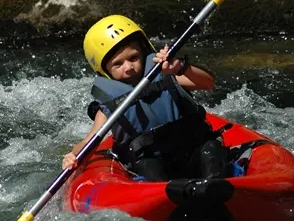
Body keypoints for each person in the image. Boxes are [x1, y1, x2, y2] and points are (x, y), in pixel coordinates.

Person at [62, 15, 227, 181]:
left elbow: (208, 82)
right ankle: (167, 198)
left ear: (144, 52)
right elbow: (90, 142)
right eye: (117, 64)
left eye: (133, 58)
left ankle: (215, 186)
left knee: (211, 147)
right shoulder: (109, 105)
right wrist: (73, 154)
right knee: (147, 165)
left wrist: (180, 67)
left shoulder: (166, 74)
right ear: (104, 70)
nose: (128, 67)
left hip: (193, 152)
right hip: (154, 164)